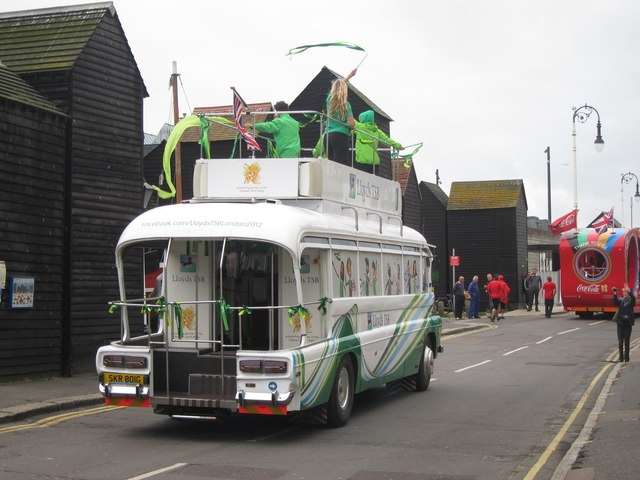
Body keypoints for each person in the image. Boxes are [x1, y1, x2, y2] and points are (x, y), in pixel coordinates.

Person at [353, 109, 403, 174]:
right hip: (374, 162)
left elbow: (349, 118)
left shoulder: (359, 127)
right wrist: (398, 146)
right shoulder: (377, 131)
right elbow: (387, 140)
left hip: (362, 160)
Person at [325, 69, 356, 166]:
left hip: (328, 135)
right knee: (340, 164)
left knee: (331, 165)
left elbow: (338, 86)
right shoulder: (347, 104)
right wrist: (346, 125)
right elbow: (352, 124)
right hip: (340, 135)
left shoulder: (329, 99)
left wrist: (349, 76)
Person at [613, 287, 636, 362]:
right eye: (624, 293)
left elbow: (633, 298)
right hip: (620, 323)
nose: (624, 294)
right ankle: (621, 357)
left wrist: (629, 291)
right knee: (620, 342)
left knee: (627, 341)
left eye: (626, 293)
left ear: (629, 294)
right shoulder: (621, 301)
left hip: (628, 324)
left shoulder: (631, 302)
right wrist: (615, 294)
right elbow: (615, 303)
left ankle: (626, 358)